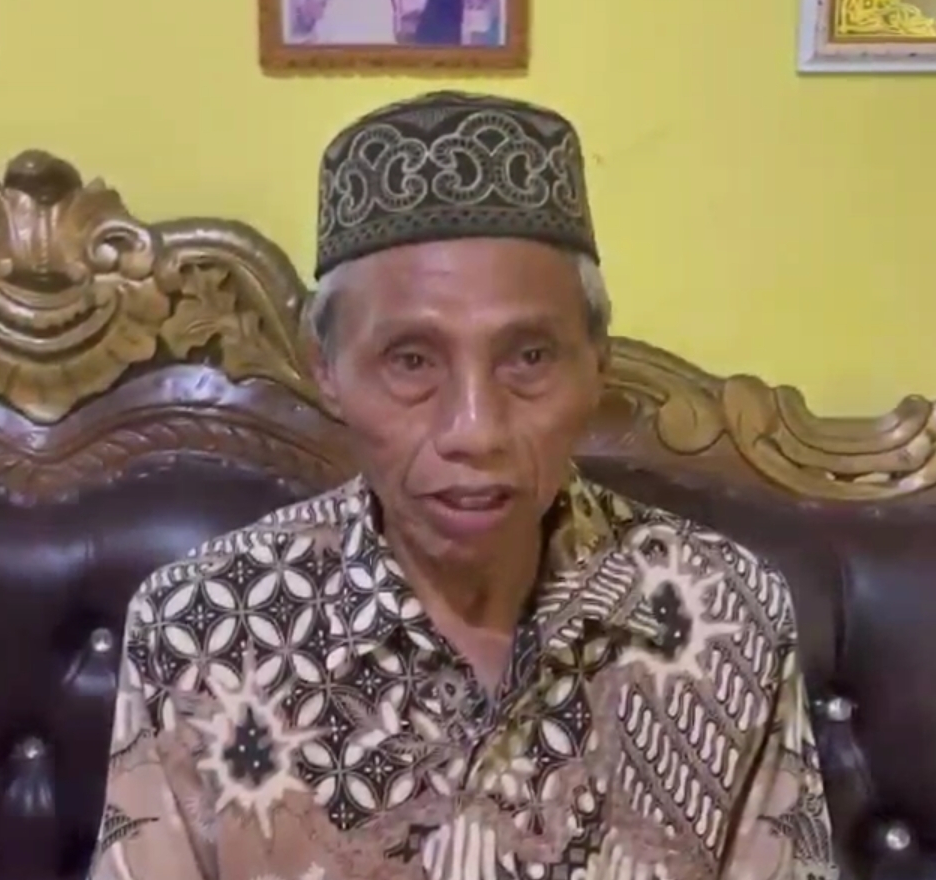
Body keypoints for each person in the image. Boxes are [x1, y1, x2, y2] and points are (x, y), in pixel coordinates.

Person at [89, 91, 837, 880]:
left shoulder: (727, 611)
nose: (475, 431)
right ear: (327, 372)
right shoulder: (202, 627)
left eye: (529, 358)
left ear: (597, 365)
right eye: (411, 361)